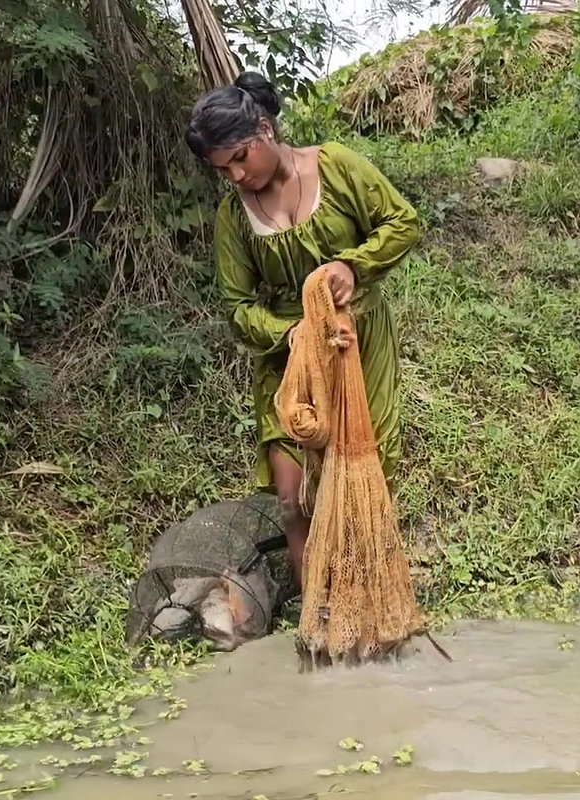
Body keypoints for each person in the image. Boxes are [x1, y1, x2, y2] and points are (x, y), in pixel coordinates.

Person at [185, 72, 420, 588]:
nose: (236, 176)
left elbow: (402, 223)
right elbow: (238, 306)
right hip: (286, 357)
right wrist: (292, 334)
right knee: (293, 499)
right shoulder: (233, 216)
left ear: (266, 129)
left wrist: (353, 267)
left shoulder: (336, 167)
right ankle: (319, 606)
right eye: (223, 169)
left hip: (356, 342)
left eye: (240, 158)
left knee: (365, 475)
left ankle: (370, 594)